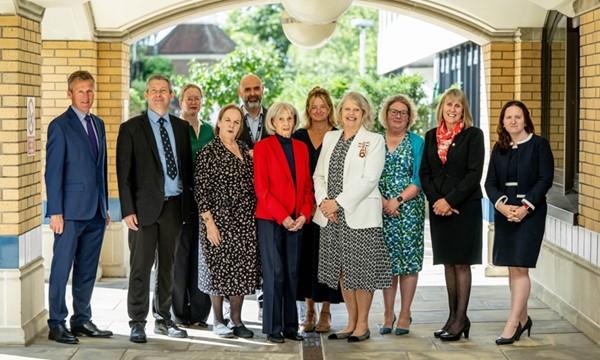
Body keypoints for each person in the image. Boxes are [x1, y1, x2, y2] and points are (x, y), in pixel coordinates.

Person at [116, 74, 192, 343]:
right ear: (146, 95)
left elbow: (187, 171)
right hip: (143, 210)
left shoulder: (182, 128)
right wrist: (127, 210)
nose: (159, 95)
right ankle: (137, 321)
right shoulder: (131, 128)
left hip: (174, 207)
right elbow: (123, 174)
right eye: (154, 91)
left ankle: (163, 318)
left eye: (164, 91)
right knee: (140, 267)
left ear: (171, 95)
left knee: (168, 266)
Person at [314, 91, 392, 343]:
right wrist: (325, 204)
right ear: (340, 112)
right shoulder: (330, 137)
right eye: (347, 109)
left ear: (364, 113)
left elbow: (370, 179)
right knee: (343, 272)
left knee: (362, 272)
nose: (350, 114)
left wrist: (338, 203)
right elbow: (319, 176)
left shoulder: (374, 140)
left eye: (356, 110)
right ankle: (349, 322)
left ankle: (362, 325)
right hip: (332, 218)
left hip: (359, 215)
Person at [45, 70, 113, 344]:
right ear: (70, 94)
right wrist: (55, 211)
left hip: (96, 212)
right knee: (61, 269)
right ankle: (56, 322)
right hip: (69, 213)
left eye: (90, 91)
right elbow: (53, 172)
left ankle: (82, 319)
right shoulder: (59, 126)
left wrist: (105, 205)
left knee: (87, 269)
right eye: (81, 91)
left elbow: (101, 170)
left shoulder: (98, 124)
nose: (86, 96)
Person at [484, 100, 554, 345]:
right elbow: (489, 183)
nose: (513, 121)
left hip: (530, 215)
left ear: (526, 120)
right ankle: (523, 319)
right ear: (502, 122)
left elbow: (545, 179)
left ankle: (512, 323)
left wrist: (525, 208)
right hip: (505, 213)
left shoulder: (539, 145)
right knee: (512, 268)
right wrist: (501, 206)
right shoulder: (499, 147)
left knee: (521, 267)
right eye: (508, 117)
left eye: (518, 116)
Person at [419, 88, 484, 342]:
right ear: (442, 108)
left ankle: (461, 318)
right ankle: (452, 317)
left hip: (464, 207)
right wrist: (437, 201)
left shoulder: (473, 135)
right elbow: (425, 173)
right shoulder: (431, 136)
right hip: (439, 209)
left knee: (461, 262)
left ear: (463, 109)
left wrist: (450, 201)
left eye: (458, 105)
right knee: (447, 262)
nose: (453, 109)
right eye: (449, 105)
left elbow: (473, 174)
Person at [194, 104, 260, 338]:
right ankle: (218, 320)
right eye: (228, 120)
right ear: (219, 122)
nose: (232, 125)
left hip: (244, 221)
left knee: (241, 271)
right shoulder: (208, 152)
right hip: (218, 221)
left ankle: (236, 320)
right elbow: (201, 191)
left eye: (236, 122)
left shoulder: (245, 149)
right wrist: (209, 223)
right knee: (218, 271)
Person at [254, 102, 314, 343]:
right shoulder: (262, 147)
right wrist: (284, 217)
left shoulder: (301, 148)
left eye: (290, 118)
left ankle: (291, 327)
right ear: (273, 122)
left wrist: (303, 215)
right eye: (281, 119)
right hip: (271, 219)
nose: (286, 123)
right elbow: (262, 189)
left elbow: (308, 188)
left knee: (291, 274)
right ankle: (272, 328)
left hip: (296, 221)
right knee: (274, 274)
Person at [293, 86, 342, 334]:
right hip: (305, 207)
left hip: (330, 208)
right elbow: (296, 174)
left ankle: (326, 312)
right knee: (307, 260)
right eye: (314, 106)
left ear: (329, 109)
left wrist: (326, 203)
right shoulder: (299, 136)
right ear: (308, 110)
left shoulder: (339, 135)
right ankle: (309, 311)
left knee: (328, 262)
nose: (318, 110)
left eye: (323, 105)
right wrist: (306, 204)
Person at [377, 95, 425, 336]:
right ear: (385, 115)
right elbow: (368, 175)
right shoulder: (375, 142)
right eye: (394, 111)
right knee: (387, 265)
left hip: (409, 211)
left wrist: (397, 201)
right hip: (380, 210)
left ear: (409, 117)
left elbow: (419, 178)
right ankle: (388, 314)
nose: (398, 116)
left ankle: (405, 313)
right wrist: (383, 201)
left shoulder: (417, 142)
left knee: (407, 264)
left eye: (403, 112)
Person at [171, 84, 214, 327]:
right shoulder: (175, 128)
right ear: (181, 101)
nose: (193, 102)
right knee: (181, 256)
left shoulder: (209, 130)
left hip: (205, 201)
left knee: (203, 257)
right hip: (180, 200)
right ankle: (179, 312)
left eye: (197, 98)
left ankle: (199, 313)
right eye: (189, 98)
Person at [238, 73, 269, 150]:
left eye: (256, 88)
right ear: (240, 93)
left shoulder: (273, 118)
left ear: (262, 90)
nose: (252, 93)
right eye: (247, 90)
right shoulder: (232, 120)